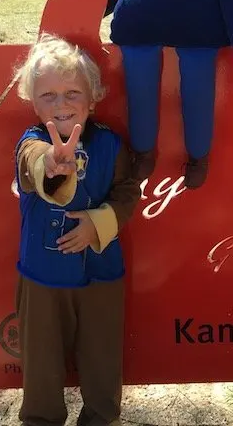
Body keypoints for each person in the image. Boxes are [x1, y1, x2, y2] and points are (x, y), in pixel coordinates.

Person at [13, 34, 141, 425]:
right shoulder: (32, 143)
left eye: (71, 93)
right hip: (43, 279)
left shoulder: (109, 143)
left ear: (92, 98)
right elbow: (34, 167)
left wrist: (98, 224)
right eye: (48, 95)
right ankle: (40, 419)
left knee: (102, 359)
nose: (61, 104)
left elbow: (127, 192)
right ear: (33, 103)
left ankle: (101, 418)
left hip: (101, 274)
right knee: (42, 361)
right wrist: (53, 164)